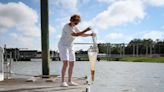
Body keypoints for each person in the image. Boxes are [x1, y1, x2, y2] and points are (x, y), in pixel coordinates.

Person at [58, 14, 96, 87]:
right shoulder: (66, 27)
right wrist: (86, 29)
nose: (76, 24)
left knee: (72, 63)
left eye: (77, 23)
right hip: (63, 45)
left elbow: (81, 34)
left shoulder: (74, 27)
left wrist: (90, 34)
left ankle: (69, 81)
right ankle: (62, 82)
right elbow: (76, 34)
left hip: (70, 46)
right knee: (66, 63)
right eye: (75, 22)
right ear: (71, 20)